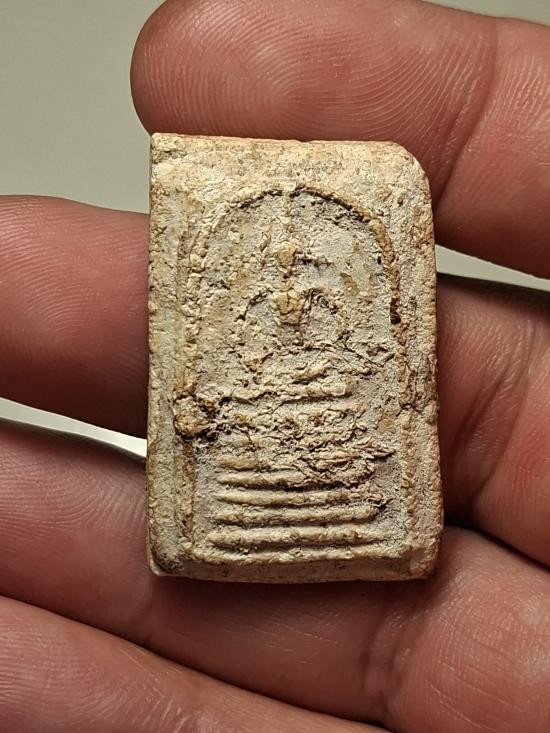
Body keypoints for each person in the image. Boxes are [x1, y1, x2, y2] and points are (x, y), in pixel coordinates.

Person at [0, 0, 548, 730]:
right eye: (274, 271)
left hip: (335, 446)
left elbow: (356, 365)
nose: (288, 281)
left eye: (301, 268)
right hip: (253, 453)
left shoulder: (344, 286)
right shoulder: (242, 288)